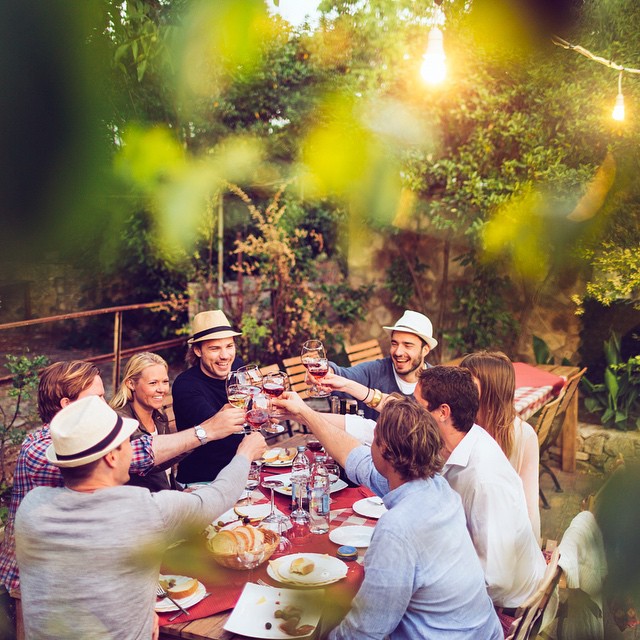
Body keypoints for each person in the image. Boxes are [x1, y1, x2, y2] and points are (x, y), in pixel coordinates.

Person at [15, 396, 266, 640]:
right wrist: (244, 454)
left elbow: (81, 580)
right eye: (129, 442)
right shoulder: (143, 509)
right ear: (112, 457)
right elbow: (218, 496)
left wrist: (142, 613)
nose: (134, 449)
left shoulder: (32, 506)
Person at [0, 359, 244, 600]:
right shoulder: (41, 450)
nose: (106, 407)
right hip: (24, 592)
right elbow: (137, 455)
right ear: (67, 405)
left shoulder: (71, 445)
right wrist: (207, 432)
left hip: (75, 581)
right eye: (97, 398)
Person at [274, 393, 502, 639]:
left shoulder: (397, 528)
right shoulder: (437, 486)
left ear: (383, 448)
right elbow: (355, 458)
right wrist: (305, 413)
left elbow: (367, 630)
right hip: (481, 630)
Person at [415, 366, 547, 635]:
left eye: (417, 408)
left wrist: (427, 584)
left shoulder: (484, 480)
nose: (411, 415)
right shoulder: (467, 436)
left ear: (443, 412)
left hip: (506, 603)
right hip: (495, 578)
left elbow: (497, 577)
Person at [459, 351, 541, 542]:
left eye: (467, 382)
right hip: (463, 532)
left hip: (506, 537)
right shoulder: (459, 425)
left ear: (491, 389)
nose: (460, 388)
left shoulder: (523, 435)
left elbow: (529, 508)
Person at [173, 310, 246, 485]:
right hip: (203, 481)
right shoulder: (186, 386)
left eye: (229, 346)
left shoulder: (237, 367)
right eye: (214, 348)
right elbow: (223, 434)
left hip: (240, 470)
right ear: (198, 350)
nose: (225, 356)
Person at [327, 310, 437, 419]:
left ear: (425, 350)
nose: (398, 352)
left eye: (407, 345)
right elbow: (341, 375)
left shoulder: (437, 385)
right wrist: (327, 370)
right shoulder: (375, 371)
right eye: (394, 344)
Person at [110, 352, 180, 492]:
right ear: (131, 384)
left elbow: (166, 474)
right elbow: (151, 465)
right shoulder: (121, 422)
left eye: (165, 382)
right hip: (142, 504)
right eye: (153, 383)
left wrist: (179, 491)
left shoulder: (159, 416)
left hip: (166, 496)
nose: (162, 389)